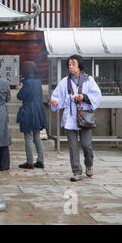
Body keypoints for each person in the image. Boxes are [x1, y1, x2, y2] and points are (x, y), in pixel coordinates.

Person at [50, 54, 102, 182]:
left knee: (86, 144)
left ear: (79, 65)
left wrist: (83, 97)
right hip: (70, 117)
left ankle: (89, 164)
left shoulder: (88, 80)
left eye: (73, 64)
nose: (71, 67)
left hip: (84, 116)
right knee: (73, 146)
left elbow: (97, 95)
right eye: (69, 64)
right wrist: (55, 101)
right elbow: (56, 96)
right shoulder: (64, 81)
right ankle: (77, 171)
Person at [16, 61, 47, 169]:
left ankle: (29, 162)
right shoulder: (38, 82)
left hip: (29, 111)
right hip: (38, 111)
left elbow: (20, 96)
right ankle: (40, 160)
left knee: (28, 137)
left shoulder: (27, 83)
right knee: (37, 136)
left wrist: (22, 86)